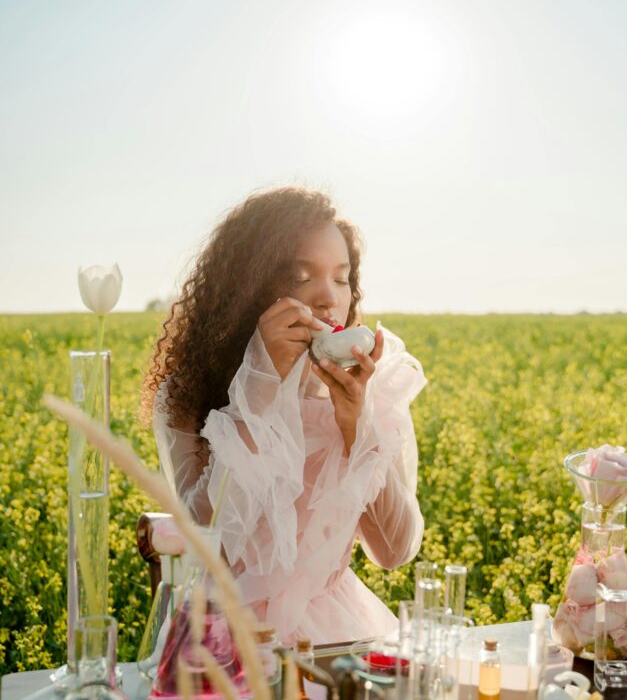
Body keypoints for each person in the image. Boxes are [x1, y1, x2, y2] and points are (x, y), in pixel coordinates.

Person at [143, 187, 426, 645]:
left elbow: (395, 550)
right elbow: (206, 546)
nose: (327, 299)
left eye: (341, 278)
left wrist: (359, 424)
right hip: (224, 637)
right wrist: (259, 388)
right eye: (300, 276)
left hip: (337, 635)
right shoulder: (188, 391)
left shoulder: (369, 388)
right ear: (248, 285)